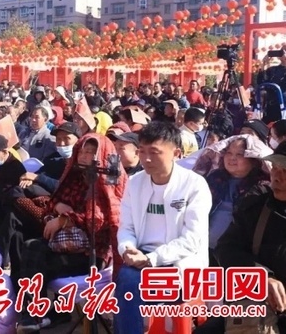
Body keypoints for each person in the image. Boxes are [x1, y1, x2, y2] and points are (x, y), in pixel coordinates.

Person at [13, 134, 126, 332]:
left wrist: (65, 219)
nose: (84, 156)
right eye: (82, 151)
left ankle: (37, 314)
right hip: (65, 243)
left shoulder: (108, 181)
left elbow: (100, 219)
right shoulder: (74, 177)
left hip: (92, 252)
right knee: (31, 247)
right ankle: (32, 314)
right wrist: (58, 206)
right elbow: (54, 201)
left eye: (90, 152)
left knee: (37, 263)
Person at [114, 122, 212, 333]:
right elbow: (126, 227)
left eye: (154, 152)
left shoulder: (194, 185)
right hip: (141, 258)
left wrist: (151, 259)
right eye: (142, 151)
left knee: (131, 287)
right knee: (128, 283)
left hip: (180, 262)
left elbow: (191, 240)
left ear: (176, 153)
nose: (146, 159)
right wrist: (127, 249)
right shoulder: (135, 182)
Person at [197, 147, 286, 333]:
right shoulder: (258, 205)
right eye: (275, 168)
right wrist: (261, 276)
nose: (277, 177)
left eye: (285, 170)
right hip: (255, 309)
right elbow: (226, 248)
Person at [205, 135, 271, 253]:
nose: (232, 158)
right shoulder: (214, 178)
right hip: (203, 248)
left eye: (239, 154)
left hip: (237, 253)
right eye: (229, 153)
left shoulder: (261, 188)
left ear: (254, 160)